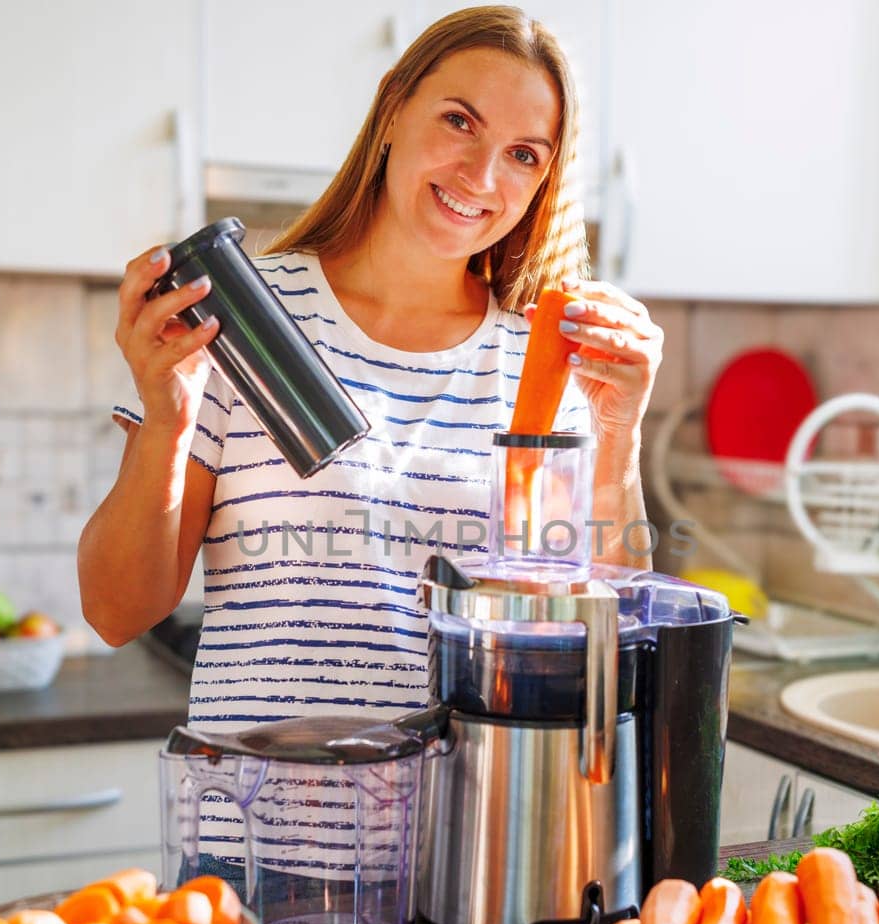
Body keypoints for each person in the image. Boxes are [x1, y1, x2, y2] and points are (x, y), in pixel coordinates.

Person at [78, 6, 664, 862]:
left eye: (524, 154)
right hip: (255, 857)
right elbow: (116, 609)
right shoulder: (241, 315)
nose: (481, 172)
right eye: (459, 121)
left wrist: (620, 435)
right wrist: (166, 411)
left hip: (462, 863)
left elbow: (600, 639)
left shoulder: (541, 362)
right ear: (393, 110)